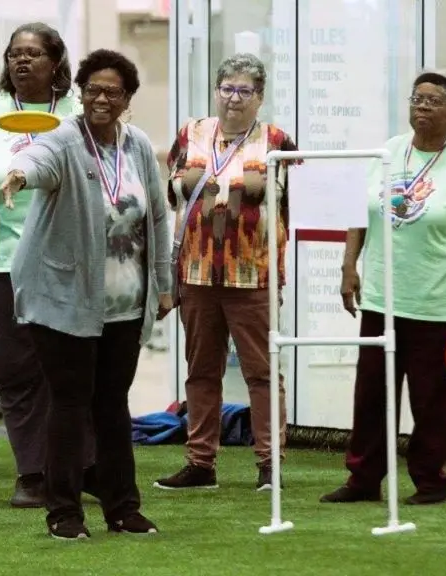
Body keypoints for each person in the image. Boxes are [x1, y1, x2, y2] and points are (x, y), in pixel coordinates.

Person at [0, 48, 172, 540]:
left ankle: (123, 509)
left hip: (124, 305)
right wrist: (18, 175)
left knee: (113, 405)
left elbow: (157, 216)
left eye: (112, 92)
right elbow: (37, 159)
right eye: (93, 89)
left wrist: (163, 284)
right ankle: (64, 513)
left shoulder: (138, 145)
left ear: (127, 99)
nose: (101, 99)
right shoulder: (64, 140)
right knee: (70, 403)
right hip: (64, 300)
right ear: (80, 92)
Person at [321, 69, 446, 506]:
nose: (422, 106)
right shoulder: (388, 152)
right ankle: (363, 479)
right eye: (417, 98)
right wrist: (348, 266)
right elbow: (360, 212)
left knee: (432, 402)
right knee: (371, 397)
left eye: (434, 101)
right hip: (382, 301)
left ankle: (430, 482)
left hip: (437, 304)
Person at [0, 22, 96, 508]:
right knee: (14, 371)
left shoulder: (76, 113)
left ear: (56, 62)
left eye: (33, 53)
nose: (21, 61)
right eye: (14, 54)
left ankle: (82, 467)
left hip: (64, 260)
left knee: (68, 367)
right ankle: (32, 473)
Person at [153, 53, 298, 493]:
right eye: (227, 88)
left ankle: (270, 464)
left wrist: (240, 190)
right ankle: (201, 463)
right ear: (216, 91)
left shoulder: (276, 140)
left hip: (253, 273)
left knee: (261, 371)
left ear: (260, 97)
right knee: (200, 371)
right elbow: (174, 192)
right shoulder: (192, 133)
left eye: (244, 91)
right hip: (197, 271)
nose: (234, 98)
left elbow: (285, 197)